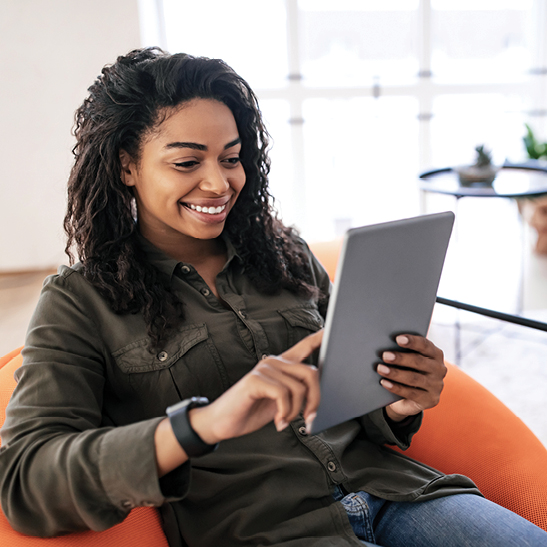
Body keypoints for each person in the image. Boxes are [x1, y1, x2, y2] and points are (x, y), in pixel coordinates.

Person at [0, 47, 546, 547]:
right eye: (187, 162)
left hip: (399, 493)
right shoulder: (79, 302)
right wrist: (204, 423)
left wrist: (402, 399)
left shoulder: (285, 256)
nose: (218, 184)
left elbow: (355, 396)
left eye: (231, 158)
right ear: (125, 166)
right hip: (268, 531)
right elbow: (26, 480)